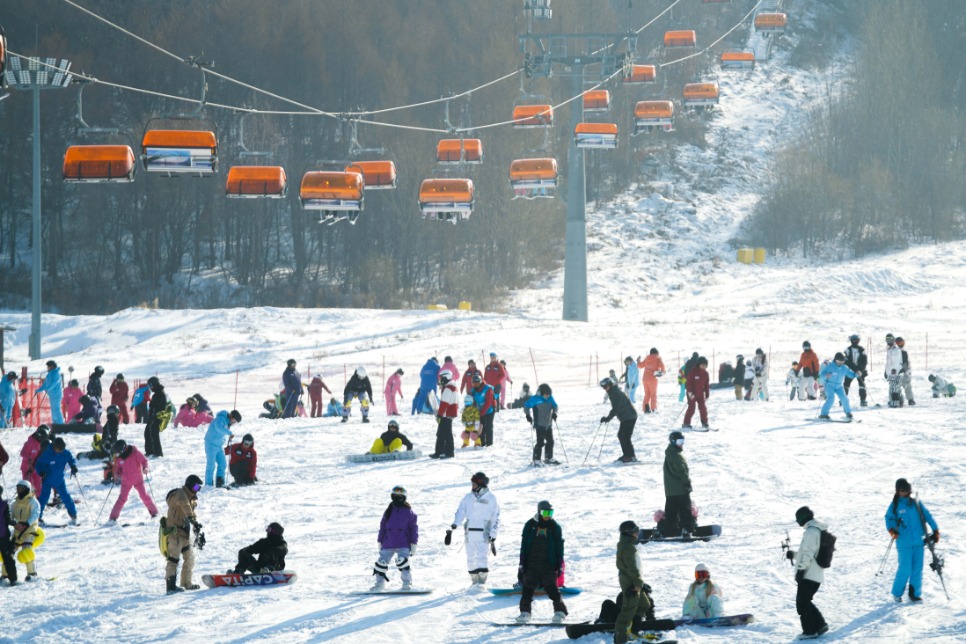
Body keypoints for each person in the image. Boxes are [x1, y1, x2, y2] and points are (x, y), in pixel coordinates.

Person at [885, 478, 939, 602]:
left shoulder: (916, 503)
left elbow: (927, 516)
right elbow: (888, 518)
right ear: (897, 491)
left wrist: (935, 529)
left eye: (905, 490)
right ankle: (897, 593)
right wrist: (892, 530)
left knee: (917, 569)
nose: (903, 492)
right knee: (905, 569)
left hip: (919, 542)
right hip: (904, 542)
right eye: (901, 490)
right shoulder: (895, 505)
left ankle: (914, 594)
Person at [515, 500, 568, 624]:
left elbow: (559, 547)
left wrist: (560, 564)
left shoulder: (554, 527)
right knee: (527, 589)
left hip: (548, 563)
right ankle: (525, 613)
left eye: (550, 512)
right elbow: (524, 544)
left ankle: (560, 613)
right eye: (545, 512)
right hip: (531, 563)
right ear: (539, 512)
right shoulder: (530, 525)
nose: (548, 515)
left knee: (552, 589)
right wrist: (522, 562)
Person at [449, 472, 500, 588]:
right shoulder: (468, 497)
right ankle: (474, 582)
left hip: (484, 533)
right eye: (472, 483)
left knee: (482, 557)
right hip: (470, 533)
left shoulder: (491, 498)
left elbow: (496, 517)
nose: (472, 486)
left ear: (481, 483)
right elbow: (461, 511)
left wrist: (493, 533)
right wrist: (455, 524)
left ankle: (481, 583)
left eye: (474, 483)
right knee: (470, 558)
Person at [785, 506, 829, 639]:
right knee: (805, 601)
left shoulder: (811, 531)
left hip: (809, 573)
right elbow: (808, 553)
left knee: (802, 603)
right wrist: (793, 555)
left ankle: (810, 631)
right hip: (815, 572)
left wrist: (801, 570)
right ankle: (820, 625)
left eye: (798, 519)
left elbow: (807, 553)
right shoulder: (816, 530)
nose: (797, 522)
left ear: (802, 518)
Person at [372, 486, 418, 590]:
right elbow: (383, 527)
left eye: (400, 497)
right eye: (395, 496)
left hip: (403, 542)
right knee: (381, 564)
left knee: (403, 563)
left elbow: (413, 529)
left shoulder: (409, 512)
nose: (397, 499)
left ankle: (407, 584)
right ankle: (379, 584)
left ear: (404, 498)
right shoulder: (388, 511)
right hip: (388, 542)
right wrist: (380, 540)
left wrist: (414, 543)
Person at [163, 474, 203, 593]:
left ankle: (186, 583)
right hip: (174, 534)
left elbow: (191, 512)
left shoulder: (191, 499)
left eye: (199, 488)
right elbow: (185, 505)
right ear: (190, 485)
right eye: (196, 487)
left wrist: (196, 526)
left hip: (184, 534)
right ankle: (170, 587)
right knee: (173, 560)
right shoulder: (179, 494)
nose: (197, 490)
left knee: (190, 558)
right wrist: (192, 519)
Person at [615, 520, 652, 644]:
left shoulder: (626, 545)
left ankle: (634, 631)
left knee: (644, 604)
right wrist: (637, 584)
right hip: (631, 583)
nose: (638, 533)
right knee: (627, 613)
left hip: (634, 581)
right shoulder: (628, 548)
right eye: (636, 530)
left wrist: (640, 583)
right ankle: (620, 640)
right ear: (629, 533)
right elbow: (631, 568)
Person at [108, 440, 158, 523]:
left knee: (144, 496)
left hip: (138, 479)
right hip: (126, 482)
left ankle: (154, 513)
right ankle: (113, 518)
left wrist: (145, 468)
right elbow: (118, 467)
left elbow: (144, 461)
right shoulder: (120, 458)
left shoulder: (135, 453)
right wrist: (117, 473)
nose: (117, 455)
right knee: (122, 498)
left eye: (118, 452)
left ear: (123, 449)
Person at [659, 431, 696, 537]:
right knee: (685, 510)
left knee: (671, 512)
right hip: (680, 489)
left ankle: (670, 531)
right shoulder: (675, 455)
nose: (682, 444)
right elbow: (681, 470)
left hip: (670, 491)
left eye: (683, 441)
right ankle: (688, 530)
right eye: (679, 441)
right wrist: (687, 482)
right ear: (673, 442)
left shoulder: (669, 454)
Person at [35, 436, 79, 525]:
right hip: (47, 481)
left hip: (59, 480)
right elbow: (38, 465)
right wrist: (41, 472)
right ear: (55, 447)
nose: (61, 451)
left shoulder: (65, 453)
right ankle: (37, 518)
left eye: (63, 449)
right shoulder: (47, 454)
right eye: (60, 449)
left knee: (66, 497)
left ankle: (73, 515)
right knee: (43, 499)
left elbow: (71, 459)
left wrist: (73, 466)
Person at [600, 377, 638, 463]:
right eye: (603, 387)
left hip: (629, 416)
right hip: (626, 417)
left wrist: (608, 418)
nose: (604, 389)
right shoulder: (613, 392)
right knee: (622, 435)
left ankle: (629, 456)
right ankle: (628, 455)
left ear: (610, 385)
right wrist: (608, 418)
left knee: (624, 436)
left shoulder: (615, 393)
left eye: (605, 387)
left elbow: (616, 409)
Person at [11, 480, 42, 582]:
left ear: (27, 489)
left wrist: (27, 523)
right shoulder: (15, 503)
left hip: (29, 529)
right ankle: (6, 574)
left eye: (21, 488)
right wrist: (15, 523)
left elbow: (35, 514)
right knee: (9, 550)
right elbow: (10, 514)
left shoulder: (33, 502)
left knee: (26, 549)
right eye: (18, 488)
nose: (19, 490)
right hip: (18, 530)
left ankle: (32, 573)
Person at [204, 409, 242, 488]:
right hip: (211, 444)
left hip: (219, 445)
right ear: (231, 416)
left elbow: (223, 431)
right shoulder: (220, 418)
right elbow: (219, 428)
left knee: (222, 464)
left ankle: (220, 483)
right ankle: (208, 485)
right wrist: (229, 433)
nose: (234, 423)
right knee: (211, 465)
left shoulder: (227, 422)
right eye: (234, 420)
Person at [524, 384, 559, 465]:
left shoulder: (550, 398)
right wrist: (528, 415)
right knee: (540, 442)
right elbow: (526, 406)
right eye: (546, 395)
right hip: (539, 424)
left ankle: (548, 458)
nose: (547, 396)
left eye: (549, 395)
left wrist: (555, 413)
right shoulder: (535, 399)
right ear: (541, 393)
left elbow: (555, 406)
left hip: (548, 424)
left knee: (550, 441)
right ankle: (536, 460)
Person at [818, 353, 856, 420]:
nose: (840, 363)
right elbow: (821, 376)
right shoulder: (830, 366)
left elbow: (850, 374)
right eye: (839, 361)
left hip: (839, 386)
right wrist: (826, 375)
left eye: (842, 361)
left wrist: (856, 374)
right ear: (835, 360)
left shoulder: (844, 368)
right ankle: (823, 414)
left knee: (844, 399)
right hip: (829, 385)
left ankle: (848, 413)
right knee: (831, 399)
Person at [431, 369, 459, 459]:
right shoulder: (451, 386)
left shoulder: (448, 388)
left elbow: (444, 403)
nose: (440, 380)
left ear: (446, 377)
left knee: (446, 433)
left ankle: (449, 452)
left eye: (441, 378)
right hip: (449, 413)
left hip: (446, 414)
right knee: (441, 433)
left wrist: (439, 414)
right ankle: (440, 451)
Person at [20, 426, 49, 495]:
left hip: (36, 469)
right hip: (27, 468)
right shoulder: (30, 442)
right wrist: (29, 459)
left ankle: (38, 499)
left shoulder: (43, 444)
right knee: (28, 485)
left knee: (38, 486)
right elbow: (22, 453)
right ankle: (26, 499)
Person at [469, 373, 497, 447]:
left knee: (488, 425)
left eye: (477, 383)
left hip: (490, 408)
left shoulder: (488, 389)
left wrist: (482, 413)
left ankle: (489, 443)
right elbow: (472, 401)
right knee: (480, 426)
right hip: (480, 409)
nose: (475, 385)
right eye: (473, 384)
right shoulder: (473, 390)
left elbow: (488, 402)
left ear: (480, 382)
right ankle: (482, 442)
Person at [683, 356, 710, 430]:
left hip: (700, 394)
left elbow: (707, 385)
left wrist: (707, 394)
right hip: (692, 394)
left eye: (705, 365)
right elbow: (688, 383)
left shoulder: (706, 374)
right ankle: (686, 423)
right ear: (698, 365)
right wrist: (690, 392)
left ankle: (704, 422)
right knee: (692, 408)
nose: (703, 366)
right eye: (702, 365)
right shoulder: (693, 372)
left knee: (703, 408)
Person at [144, 376, 168, 457]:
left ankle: (157, 453)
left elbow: (159, 408)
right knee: (148, 433)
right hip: (153, 417)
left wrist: (154, 417)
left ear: (154, 385)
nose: (150, 388)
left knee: (153, 434)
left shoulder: (160, 394)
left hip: (156, 418)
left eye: (151, 386)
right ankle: (150, 451)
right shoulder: (157, 393)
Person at [842, 335, 868, 407]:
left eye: (857, 340)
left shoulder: (862, 350)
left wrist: (860, 369)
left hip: (860, 371)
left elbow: (864, 361)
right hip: (849, 370)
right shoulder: (848, 350)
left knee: (862, 384)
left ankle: (863, 400)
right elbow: (846, 360)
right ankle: (843, 399)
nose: (855, 342)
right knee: (846, 385)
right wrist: (853, 368)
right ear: (851, 341)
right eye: (854, 340)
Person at [0, 485, 18, 585]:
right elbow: (8, 520)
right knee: (7, 558)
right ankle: (13, 579)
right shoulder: (4, 504)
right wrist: (16, 523)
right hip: (3, 535)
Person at [638, 348, 665, 413]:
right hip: (653, 379)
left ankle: (645, 409)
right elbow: (663, 367)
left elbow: (640, 366)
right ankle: (653, 408)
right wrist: (662, 372)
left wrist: (638, 361)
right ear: (657, 352)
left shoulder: (647, 358)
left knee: (647, 394)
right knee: (653, 394)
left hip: (645, 379)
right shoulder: (658, 358)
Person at [884, 333, 904, 407]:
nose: (888, 341)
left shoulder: (896, 350)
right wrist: (886, 372)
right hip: (891, 372)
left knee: (894, 387)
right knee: (894, 387)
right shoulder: (890, 350)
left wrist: (894, 371)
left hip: (897, 372)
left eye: (890, 340)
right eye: (887, 340)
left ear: (893, 340)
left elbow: (896, 362)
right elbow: (888, 363)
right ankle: (899, 401)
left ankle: (895, 403)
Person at [896, 337, 915, 406]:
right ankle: (899, 400)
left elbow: (906, 363)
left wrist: (907, 370)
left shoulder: (903, 352)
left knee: (907, 386)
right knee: (897, 387)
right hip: (898, 373)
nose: (899, 344)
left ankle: (910, 400)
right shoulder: (895, 352)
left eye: (900, 343)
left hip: (904, 372)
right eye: (898, 343)